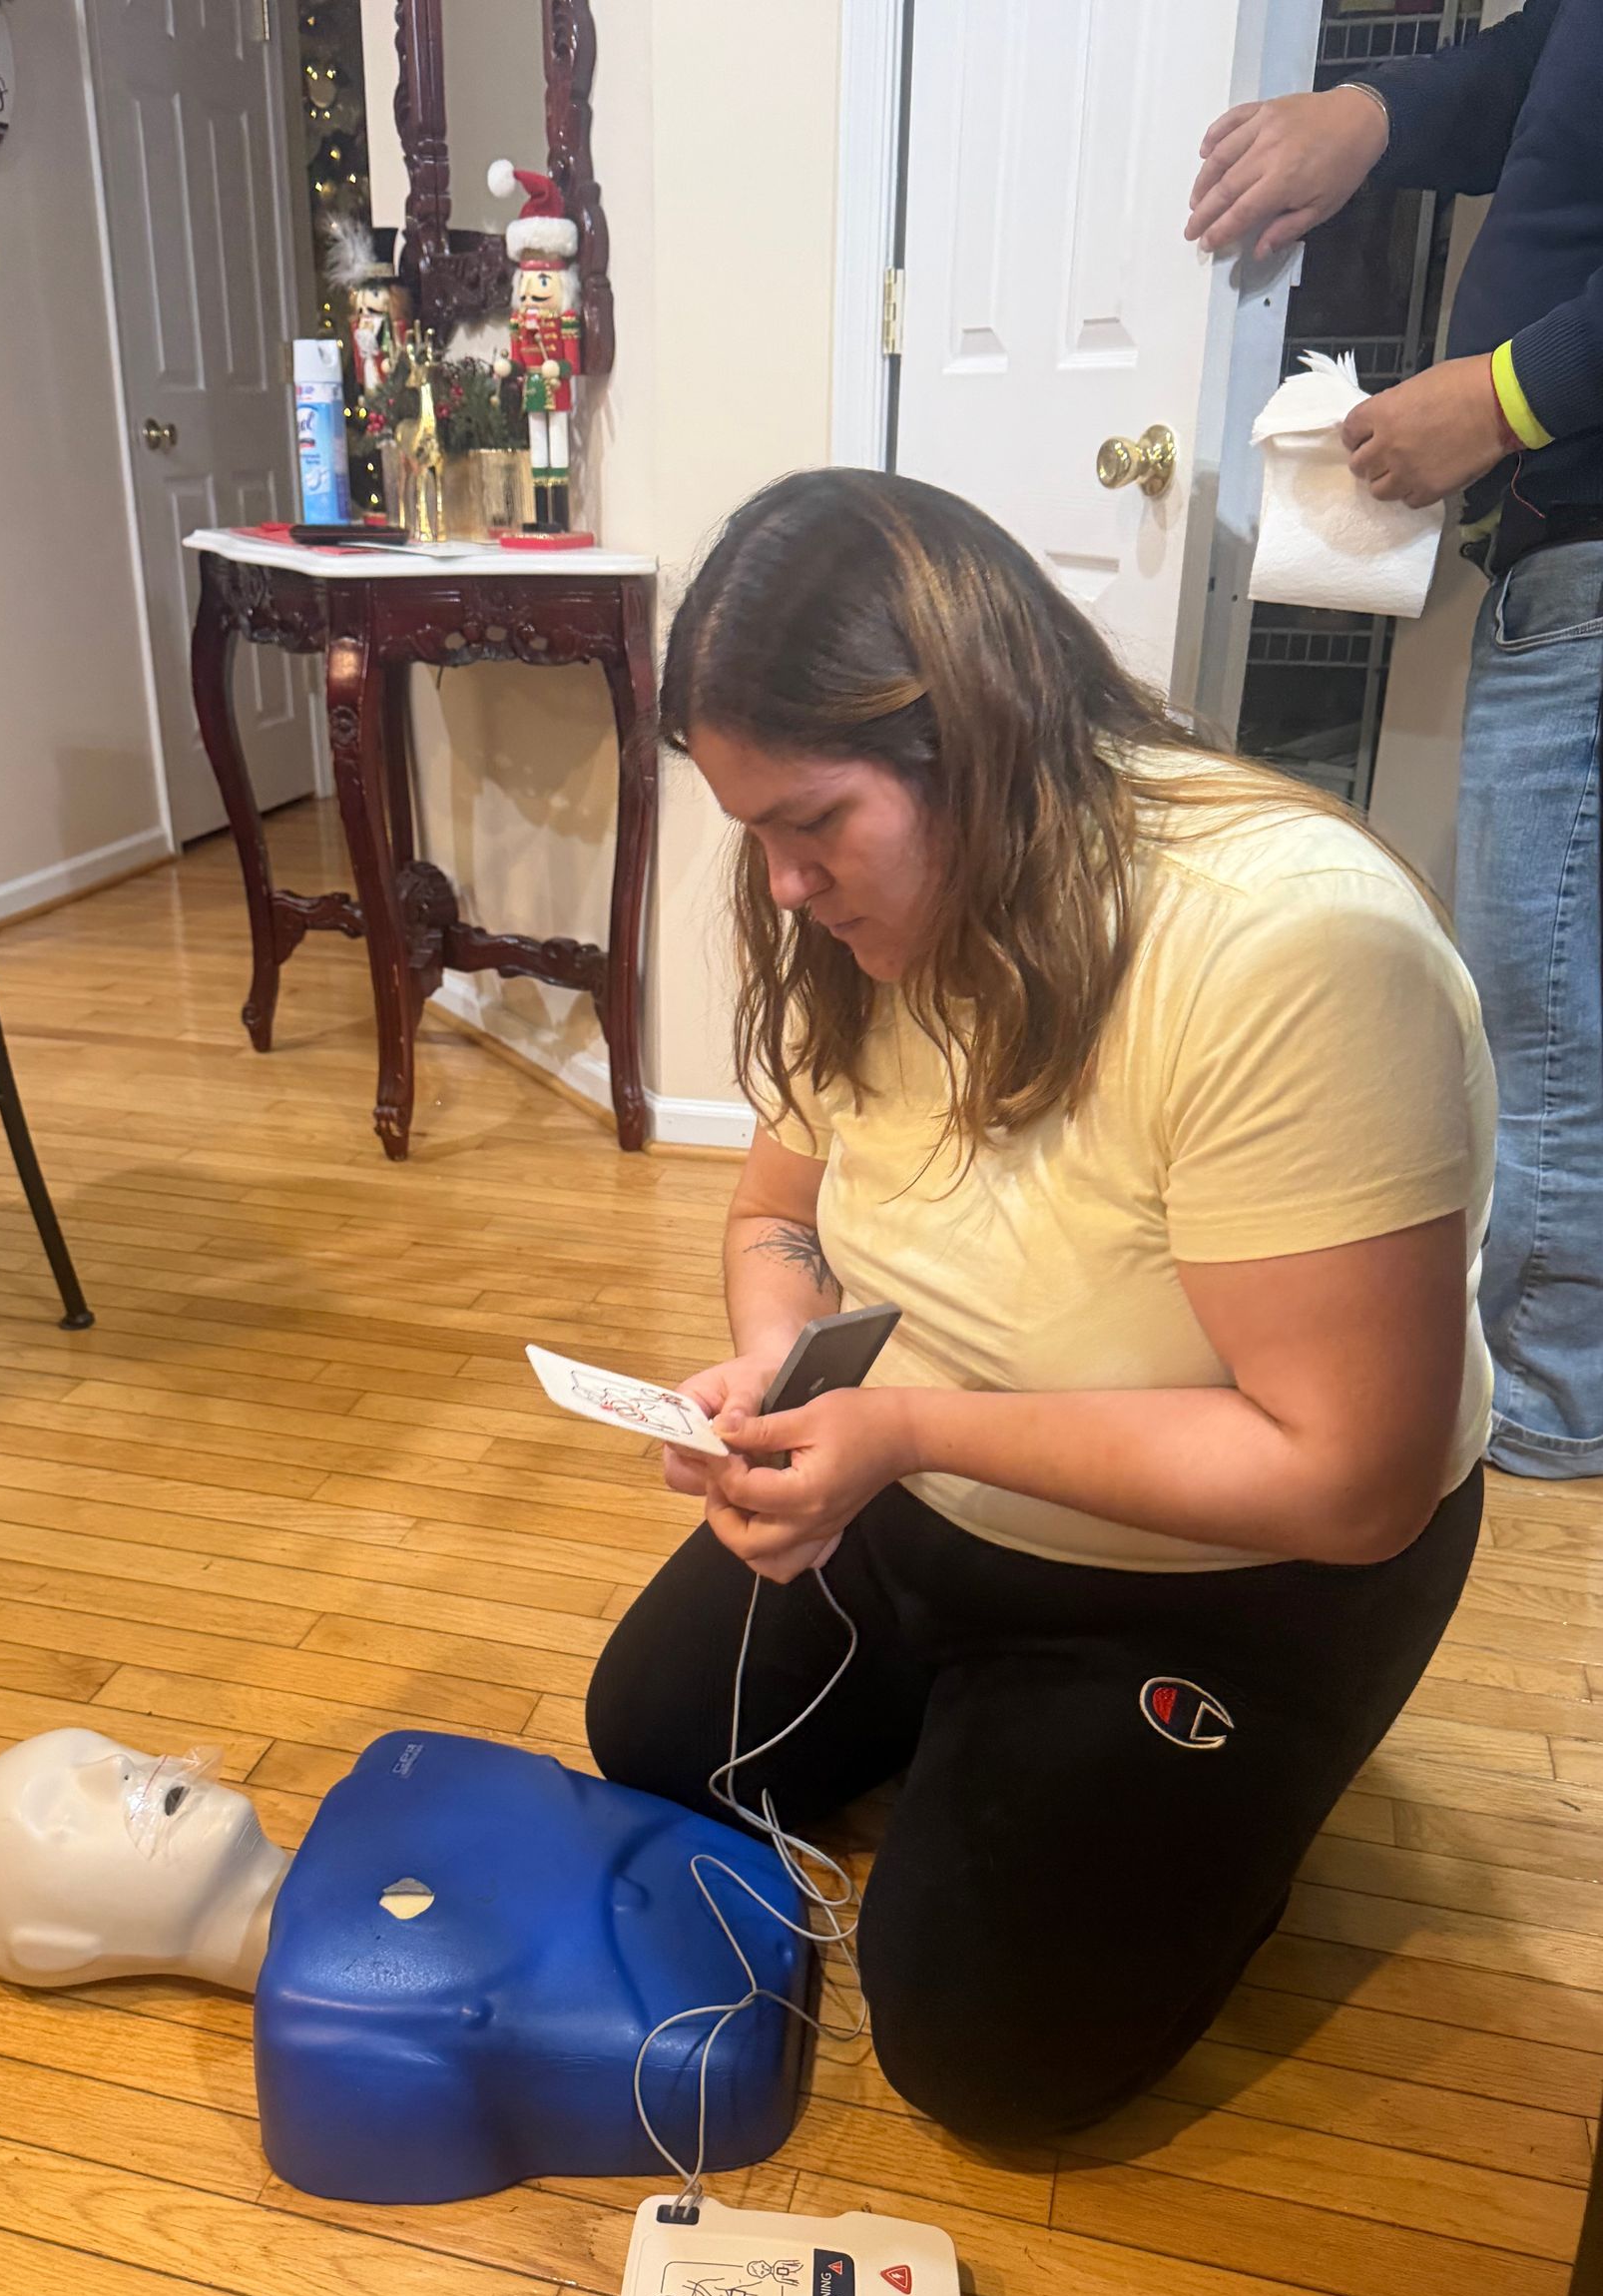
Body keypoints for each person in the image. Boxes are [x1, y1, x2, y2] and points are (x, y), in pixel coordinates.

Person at [586, 469, 1494, 2147]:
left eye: (813, 827)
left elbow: (1350, 1476)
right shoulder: (856, 914)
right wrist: (789, 1369)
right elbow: (777, 1214)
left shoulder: (1286, 950)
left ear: (978, 744)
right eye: (754, 834)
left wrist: (909, 1424)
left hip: (1235, 1577)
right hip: (926, 1485)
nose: (781, 887)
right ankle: (1000, 1748)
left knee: (994, 2060)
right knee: (649, 1744)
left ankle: (1208, 1796)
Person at [1188, 3, 1603, 1477]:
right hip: (1564, 555)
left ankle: (1549, 1415)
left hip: (1587, 548)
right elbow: (1538, 70)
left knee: (1551, 1027)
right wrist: (1372, 119)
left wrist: (1503, 396)